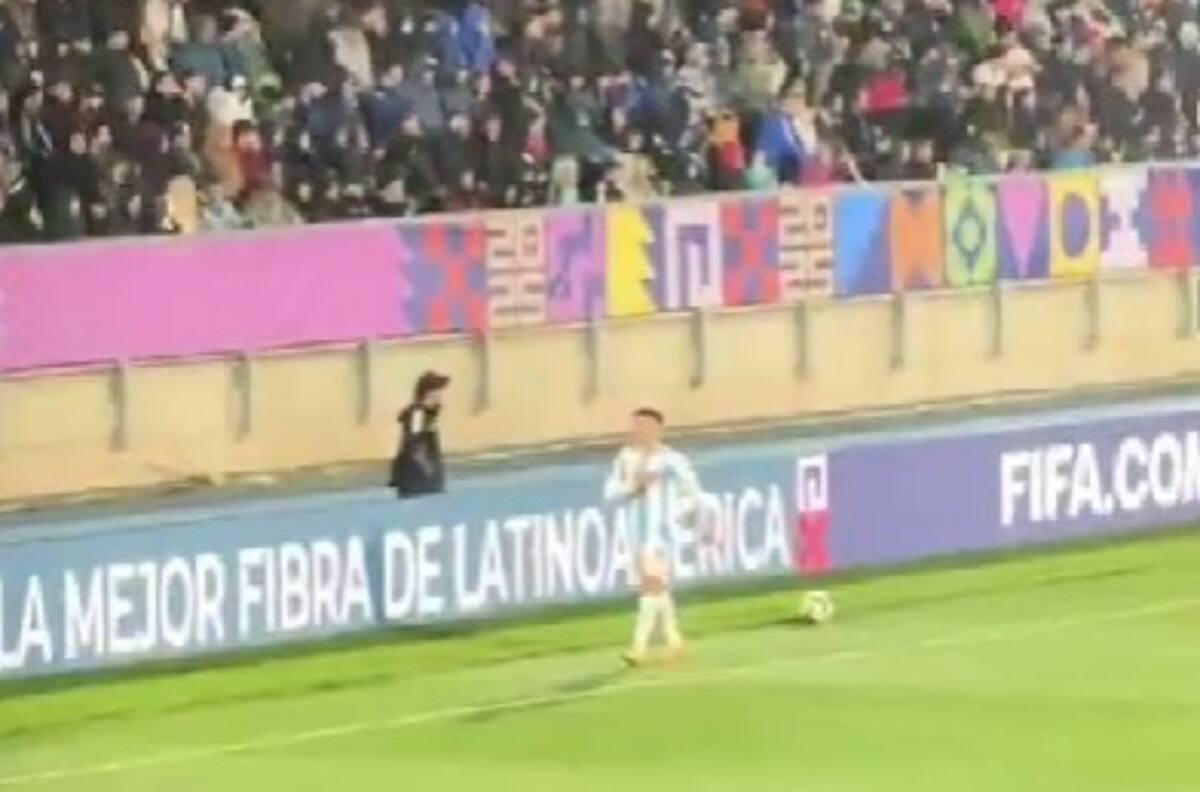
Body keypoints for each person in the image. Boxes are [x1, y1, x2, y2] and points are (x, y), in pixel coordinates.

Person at [604, 407, 713, 668]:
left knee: (651, 584)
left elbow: (694, 492)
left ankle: (638, 648)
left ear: (658, 429)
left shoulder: (673, 460)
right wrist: (633, 487)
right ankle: (674, 640)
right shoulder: (625, 459)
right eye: (636, 425)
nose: (638, 430)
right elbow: (610, 493)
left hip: (665, 533)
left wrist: (683, 514)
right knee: (657, 587)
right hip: (637, 532)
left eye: (645, 425)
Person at [389, 371, 450, 499]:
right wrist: (429, 471)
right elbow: (413, 445)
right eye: (440, 390)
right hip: (417, 479)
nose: (444, 394)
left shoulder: (428, 414)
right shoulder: (417, 414)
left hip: (425, 479)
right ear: (430, 392)